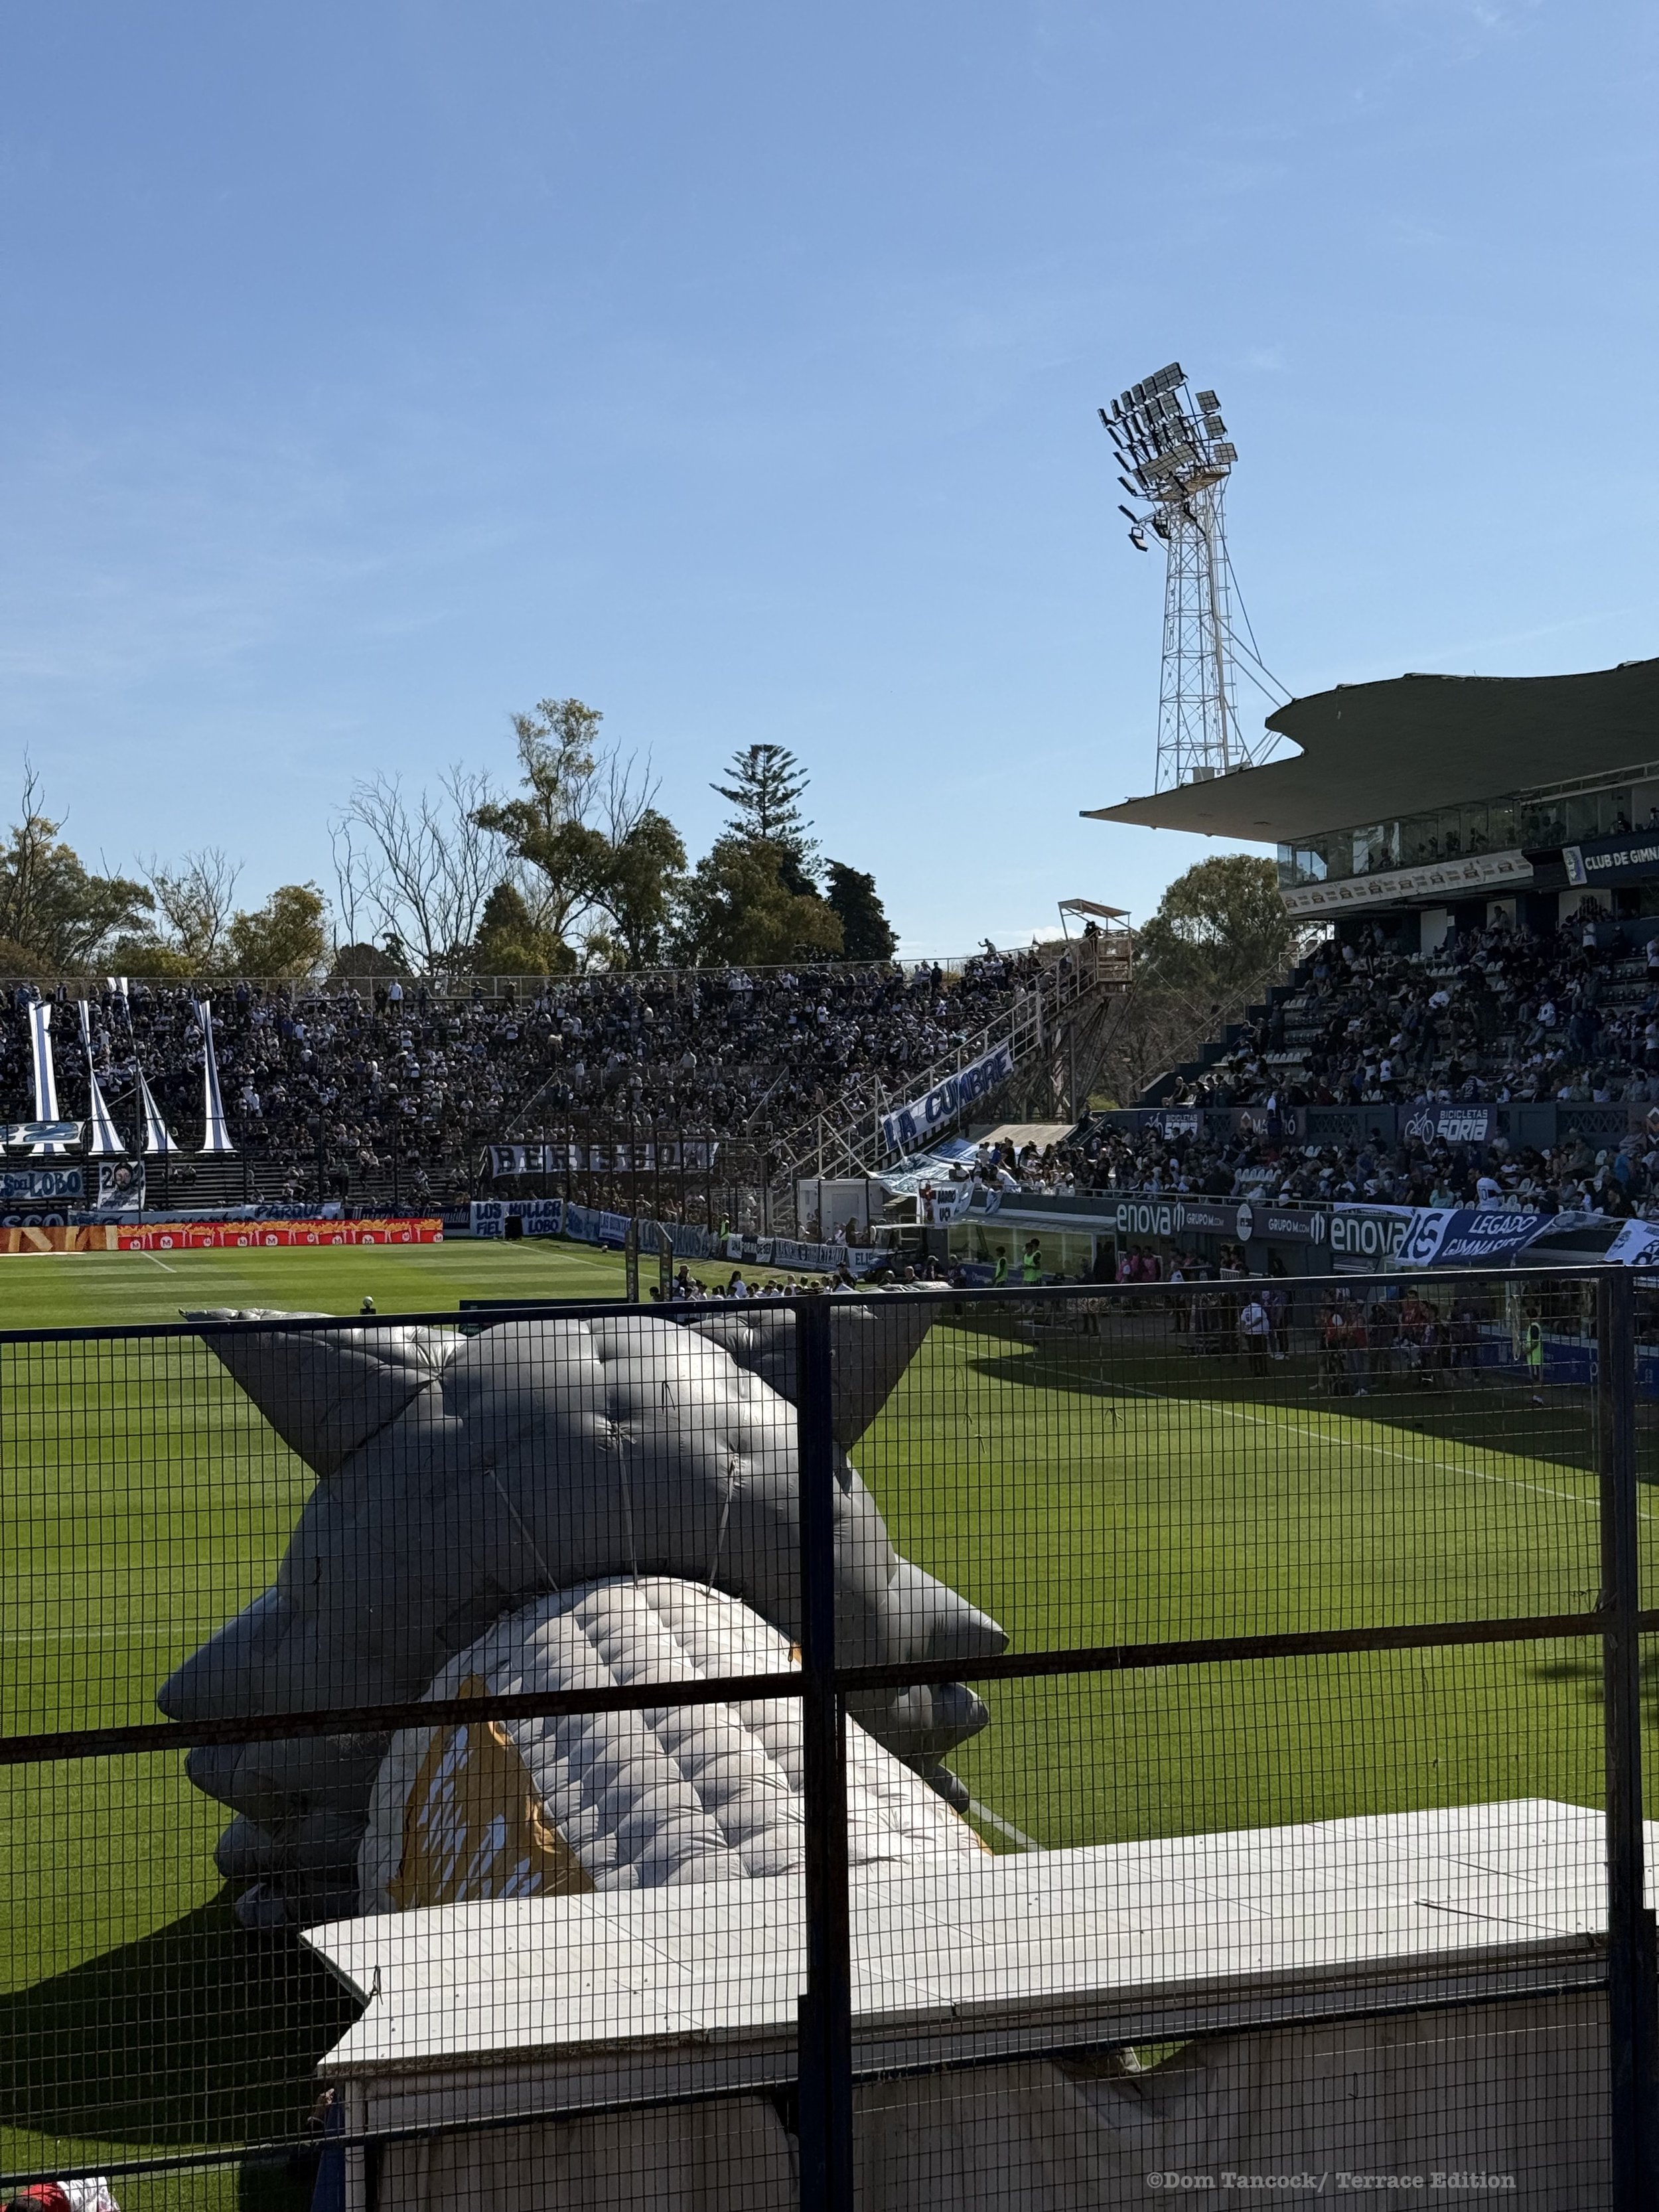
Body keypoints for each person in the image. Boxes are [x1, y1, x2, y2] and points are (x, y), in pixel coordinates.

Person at [1238, 1291, 1272, 1378]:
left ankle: (1255, 1371)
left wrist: (1243, 1330)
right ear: (1258, 1299)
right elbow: (1259, 1318)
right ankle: (1263, 1371)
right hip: (1259, 1333)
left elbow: (1242, 1321)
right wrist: (1252, 1325)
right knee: (1262, 1353)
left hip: (1250, 1334)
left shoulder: (1246, 1309)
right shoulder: (1258, 1308)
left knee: (1253, 1353)